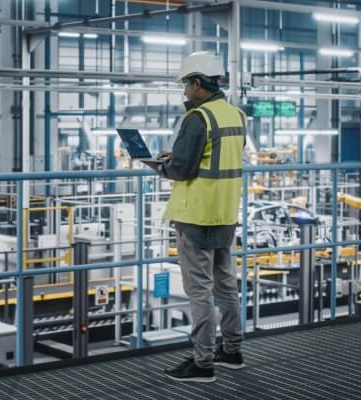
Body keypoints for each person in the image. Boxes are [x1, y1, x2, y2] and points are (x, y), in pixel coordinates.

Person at [156, 51, 246, 383]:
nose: (184, 92)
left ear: (197, 84)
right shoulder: (236, 115)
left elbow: (181, 169)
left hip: (196, 215)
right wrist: (178, 155)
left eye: (185, 85)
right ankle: (232, 351)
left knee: (199, 291)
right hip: (225, 212)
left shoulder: (198, 118)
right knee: (226, 285)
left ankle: (203, 362)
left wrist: (164, 164)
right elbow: (219, 156)